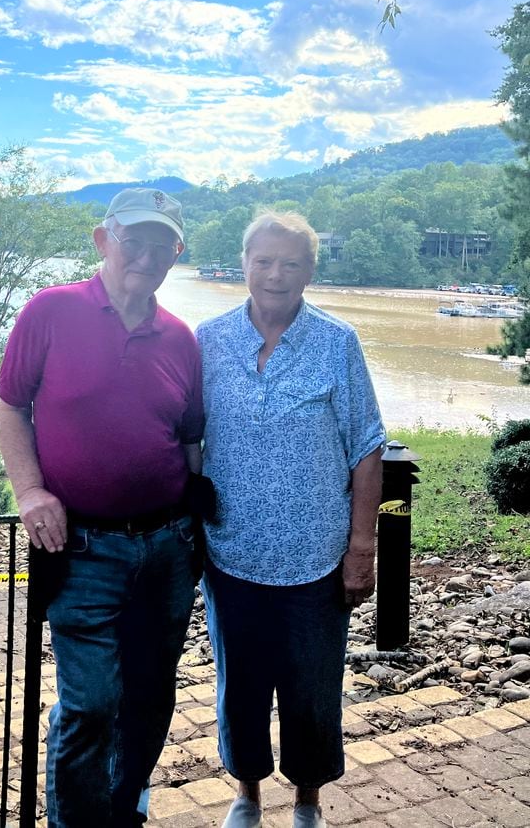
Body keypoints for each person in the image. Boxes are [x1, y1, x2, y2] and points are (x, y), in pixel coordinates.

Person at [0, 188, 203, 828]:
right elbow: (10, 407)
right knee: (90, 703)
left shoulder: (180, 338)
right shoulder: (50, 312)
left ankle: (124, 807)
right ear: (101, 239)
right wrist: (30, 492)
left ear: (177, 253)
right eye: (132, 238)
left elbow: (190, 437)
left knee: (150, 692)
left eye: (160, 243)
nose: (145, 254)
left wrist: (197, 521)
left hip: (168, 547)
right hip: (80, 547)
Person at [196, 212, 385, 828]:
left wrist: (363, 547)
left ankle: (307, 799)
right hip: (231, 552)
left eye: (292, 262)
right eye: (265, 260)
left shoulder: (338, 342)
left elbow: (366, 447)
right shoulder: (208, 339)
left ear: (310, 270)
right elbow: (187, 438)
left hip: (315, 555)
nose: (276, 274)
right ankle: (247, 792)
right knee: (239, 685)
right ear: (244, 262)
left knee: (311, 688)